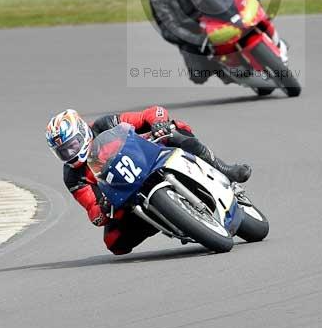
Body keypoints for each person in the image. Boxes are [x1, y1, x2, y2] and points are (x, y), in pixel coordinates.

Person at [45, 106, 251, 255]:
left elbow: (150, 113)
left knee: (175, 129)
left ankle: (224, 169)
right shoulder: (73, 176)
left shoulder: (104, 124)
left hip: (151, 156)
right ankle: (168, 220)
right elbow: (93, 211)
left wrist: (158, 123)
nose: (70, 153)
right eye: (63, 152)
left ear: (82, 132)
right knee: (114, 243)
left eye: (72, 145)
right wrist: (103, 207)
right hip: (126, 196)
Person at [149, 0, 277, 84]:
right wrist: (194, 39)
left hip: (210, 11)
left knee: (236, 7)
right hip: (190, 29)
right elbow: (169, 27)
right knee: (198, 75)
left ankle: (269, 34)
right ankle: (225, 71)